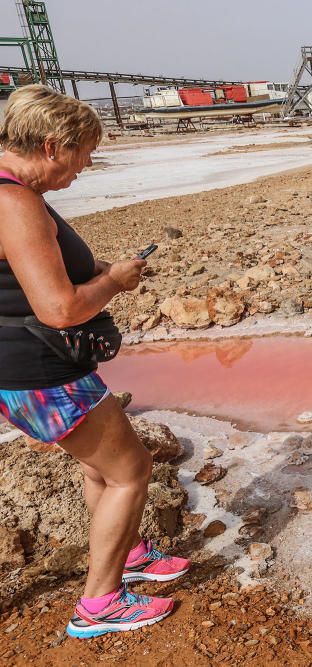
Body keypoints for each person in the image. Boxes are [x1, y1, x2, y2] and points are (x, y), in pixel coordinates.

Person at [0, 85, 189, 639]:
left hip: (27, 365)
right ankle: (100, 603)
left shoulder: (12, 190)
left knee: (98, 463)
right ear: (54, 145)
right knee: (131, 471)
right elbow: (59, 309)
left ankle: (127, 552)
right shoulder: (15, 202)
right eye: (85, 153)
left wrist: (98, 273)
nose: (86, 166)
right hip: (42, 369)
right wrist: (112, 282)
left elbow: (29, 277)